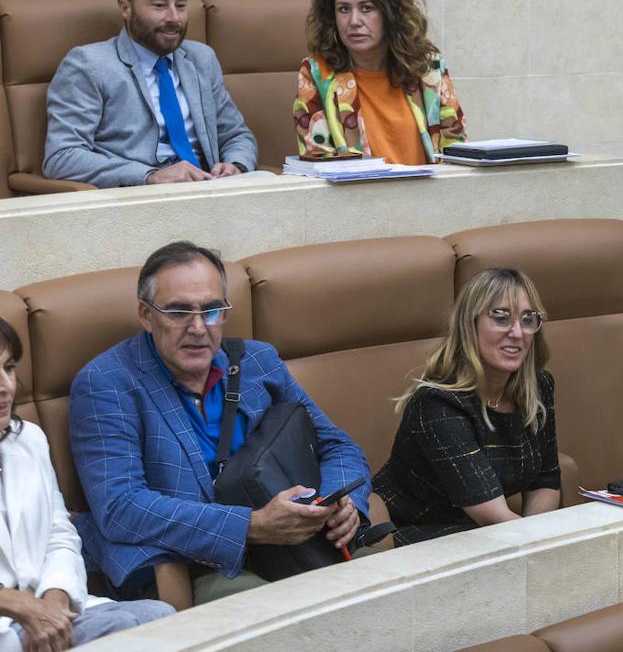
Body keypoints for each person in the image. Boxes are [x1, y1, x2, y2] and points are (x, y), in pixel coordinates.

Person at [68, 242, 371, 604]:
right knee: (272, 615)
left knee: (382, 588)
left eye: (211, 310)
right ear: (146, 315)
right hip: (195, 562)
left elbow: (337, 445)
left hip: (297, 542)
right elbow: (120, 507)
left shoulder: (259, 361)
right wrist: (252, 526)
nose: (198, 327)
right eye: (179, 311)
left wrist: (339, 502)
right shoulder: (106, 382)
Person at [0, 318, 174, 651]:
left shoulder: (28, 441)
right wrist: (18, 605)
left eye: (8, 368)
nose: (5, 386)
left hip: (50, 617)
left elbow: (58, 533)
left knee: (162, 616)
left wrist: (54, 599)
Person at [372, 268, 560, 545]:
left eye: (528, 319)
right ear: (469, 325)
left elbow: (546, 481)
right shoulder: (437, 403)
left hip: (490, 534)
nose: (518, 332)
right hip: (414, 535)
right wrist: (549, 550)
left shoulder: (538, 386)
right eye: (501, 317)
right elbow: (490, 513)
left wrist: (537, 539)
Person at [44, 0, 257, 187]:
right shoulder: (89, 64)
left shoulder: (201, 59)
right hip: (140, 200)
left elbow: (237, 135)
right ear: (126, 8)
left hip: (211, 190)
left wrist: (236, 164)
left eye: (181, 5)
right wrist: (149, 175)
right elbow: (62, 157)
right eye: (159, 6)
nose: (174, 18)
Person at [295, 0, 466, 165]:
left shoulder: (428, 68)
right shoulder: (318, 73)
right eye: (344, 9)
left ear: (390, 14)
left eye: (367, 8)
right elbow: (317, 159)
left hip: (428, 195)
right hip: (358, 195)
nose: (354, 21)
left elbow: (457, 149)